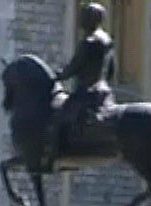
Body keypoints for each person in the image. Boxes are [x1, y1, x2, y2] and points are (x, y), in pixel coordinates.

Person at [54, 3, 117, 152]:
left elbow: (74, 68)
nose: (81, 22)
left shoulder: (88, 42)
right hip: (104, 92)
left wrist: (56, 76)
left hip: (86, 93)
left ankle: (55, 153)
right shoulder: (107, 41)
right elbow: (111, 70)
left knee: (57, 116)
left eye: (84, 18)